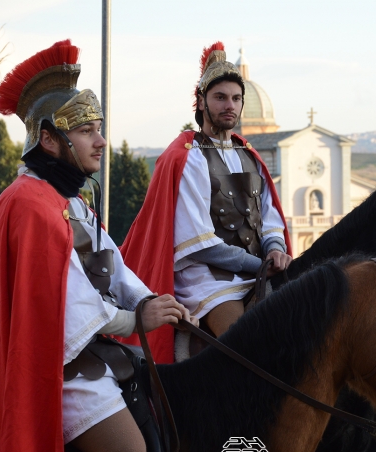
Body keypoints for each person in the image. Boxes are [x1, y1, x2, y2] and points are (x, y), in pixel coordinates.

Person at [0, 39, 195, 452]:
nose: (102, 141)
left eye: (99, 129)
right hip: (53, 360)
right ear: (50, 141)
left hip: (87, 345)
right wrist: (135, 319)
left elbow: (114, 265)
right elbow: (66, 307)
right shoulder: (30, 204)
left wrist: (150, 300)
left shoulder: (69, 199)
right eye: (87, 131)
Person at [120, 41, 292, 362]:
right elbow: (200, 244)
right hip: (208, 282)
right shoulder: (190, 158)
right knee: (245, 350)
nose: (230, 105)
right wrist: (260, 267)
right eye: (220, 97)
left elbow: (268, 218)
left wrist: (276, 250)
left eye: (236, 98)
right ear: (201, 102)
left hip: (258, 269)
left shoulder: (249, 156)